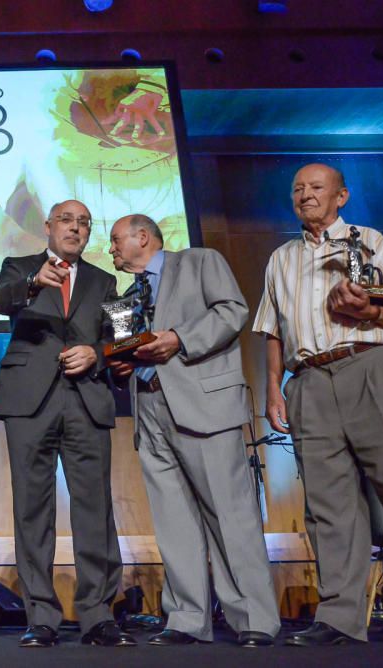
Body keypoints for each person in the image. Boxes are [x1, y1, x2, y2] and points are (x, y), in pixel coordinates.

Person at [252, 163, 383, 649]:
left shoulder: (371, 241)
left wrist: (369, 311)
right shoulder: (281, 258)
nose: (305, 195)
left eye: (316, 187)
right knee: (326, 505)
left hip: (371, 366)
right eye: (297, 188)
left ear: (342, 196)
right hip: (309, 380)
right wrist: (273, 388)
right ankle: (339, 617)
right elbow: (273, 330)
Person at [106, 214, 281, 647]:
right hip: (149, 410)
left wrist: (179, 338)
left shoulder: (200, 261)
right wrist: (122, 364)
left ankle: (253, 618)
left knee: (229, 513)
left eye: (114, 240)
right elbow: (129, 353)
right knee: (173, 522)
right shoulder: (126, 298)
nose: (110, 249)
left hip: (204, 405)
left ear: (142, 237)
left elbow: (233, 310)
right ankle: (186, 619)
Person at [0, 200, 134, 648]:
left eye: (84, 223)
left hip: (86, 397)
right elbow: (0, 302)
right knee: (32, 509)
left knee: (94, 507)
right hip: (29, 400)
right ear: (49, 227)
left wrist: (98, 353)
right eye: (67, 221)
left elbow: (123, 339)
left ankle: (96, 613)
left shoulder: (106, 281)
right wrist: (34, 283)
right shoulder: (19, 267)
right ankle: (41, 615)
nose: (75, 228)